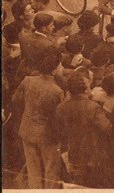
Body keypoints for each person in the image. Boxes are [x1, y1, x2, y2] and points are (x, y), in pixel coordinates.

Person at [13, 48, 64, 189]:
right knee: (50, 169)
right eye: (60, 67)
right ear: (53, 71)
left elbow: (16, 100)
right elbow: (59, 116)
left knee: (33, 168)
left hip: (27, 128)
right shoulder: (57, 91)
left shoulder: (28, 80)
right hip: (47, 134)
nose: (62, 69)